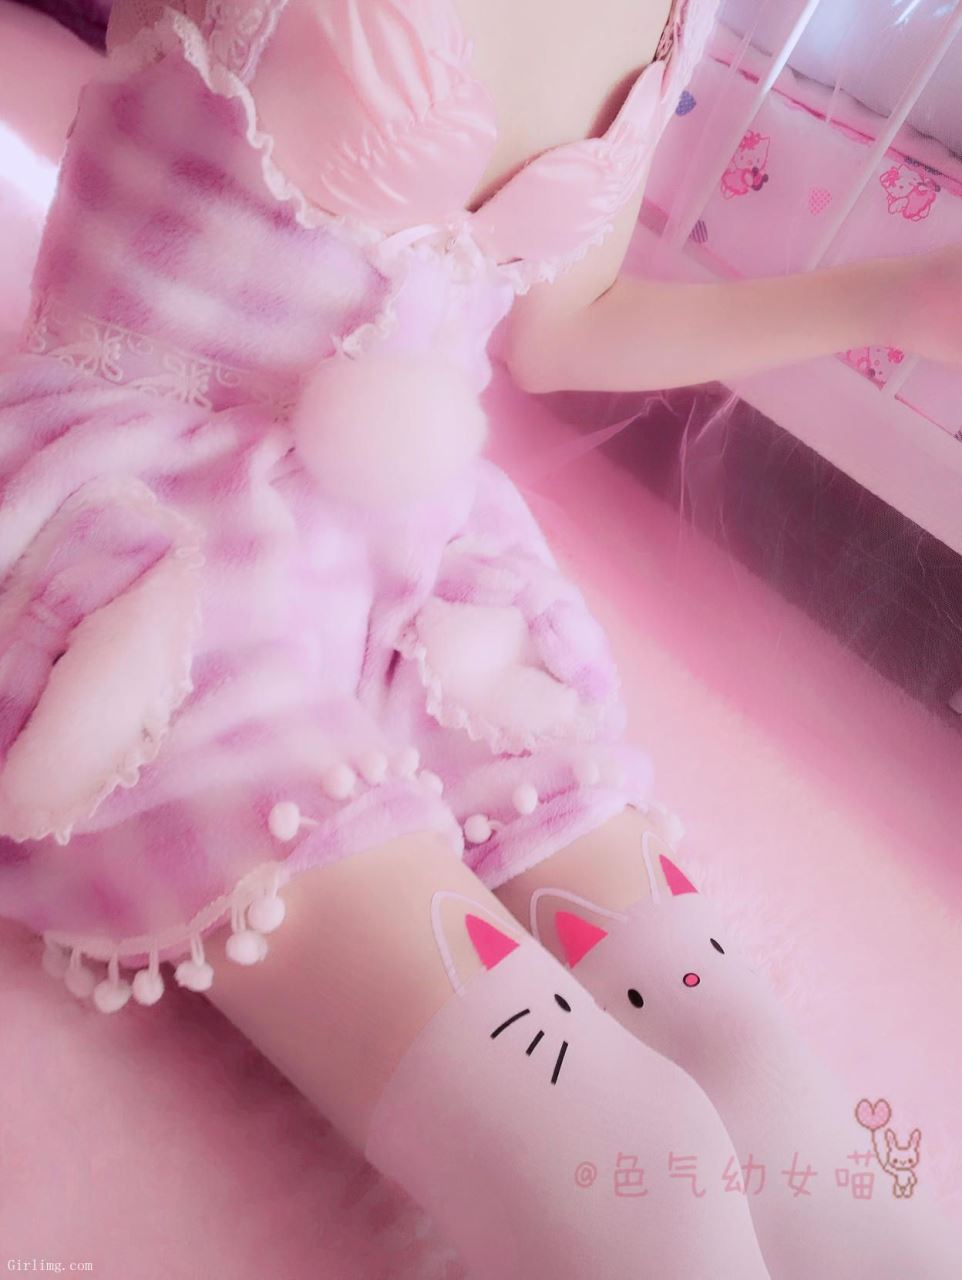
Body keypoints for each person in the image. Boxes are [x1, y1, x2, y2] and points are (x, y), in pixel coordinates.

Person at [1, 0, 958, 1274]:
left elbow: (565, 328)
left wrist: (896, 298)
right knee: (633, 1168)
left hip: (411, 568)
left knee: (776, 1101)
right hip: (156, 543)